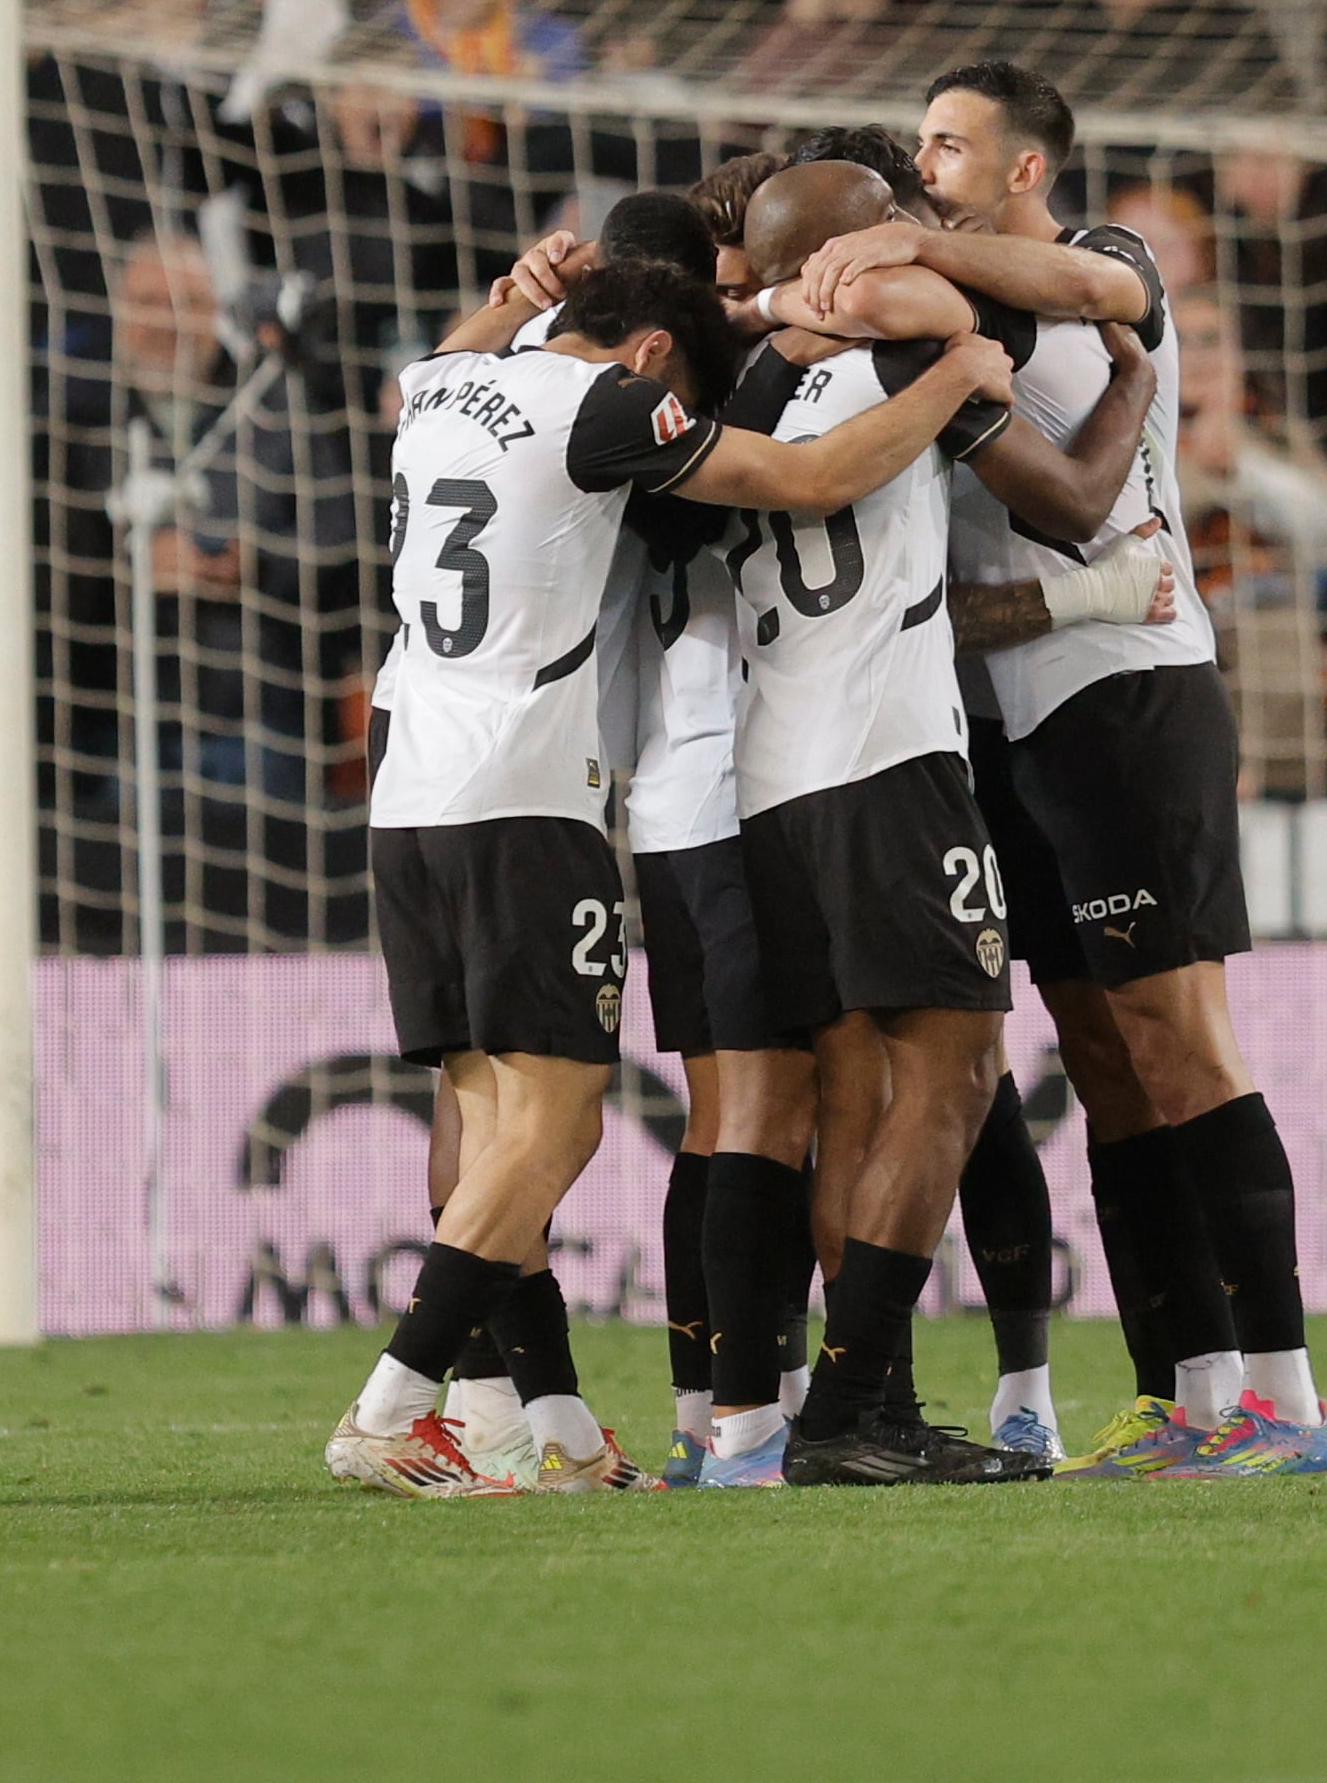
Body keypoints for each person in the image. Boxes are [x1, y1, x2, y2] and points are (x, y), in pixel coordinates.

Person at [318, 251, 1019, 1494]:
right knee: (557, 1122)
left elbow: (466, 341)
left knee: (488, 1120)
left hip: (407, 787)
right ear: (650, 358)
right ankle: (389, 1404)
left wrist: (520, 294)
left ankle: (560, 1434)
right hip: (524, 798)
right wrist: (951, 376)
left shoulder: (438, 382)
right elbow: (809, 478)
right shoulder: (608, 406)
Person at [798, 63, 1327, 1477]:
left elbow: (1049, 300)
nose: (928, 167)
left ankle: (1285, 1398)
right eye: (918, 147)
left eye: (951, 148)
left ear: (1027, 169)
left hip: (1128, 703)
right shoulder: (959, 325)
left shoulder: (1104, 265)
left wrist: (893, 245)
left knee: (1182, 1042)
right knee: (1105, 1065)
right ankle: (1187, 1390)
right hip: (1011, 721)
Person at [686, 156, 1139, 1487]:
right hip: (889, 755)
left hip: (774, 777)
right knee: (948, 1079)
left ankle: (861, 1405)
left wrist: (806, 297)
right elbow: (1055, 422)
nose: (934, 235)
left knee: (854, 1095)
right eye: (900, 220)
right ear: (855, 251)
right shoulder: (911, 362)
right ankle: (852, 1411)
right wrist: (1124, 375)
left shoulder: (753, 381)